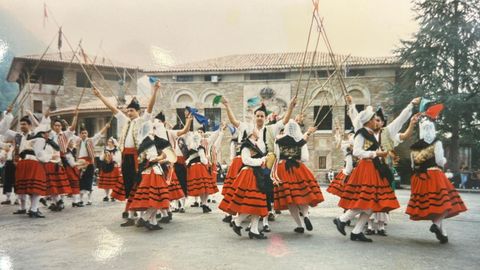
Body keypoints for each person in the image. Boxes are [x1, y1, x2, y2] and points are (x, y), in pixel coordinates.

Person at [221, 96, 297, 232]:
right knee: (250, 197)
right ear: (254, 117)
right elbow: (233, 121)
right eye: (258, 115)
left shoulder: (270, 129)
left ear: (265, 118)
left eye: (262, 116)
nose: (260, 118)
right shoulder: (247, 128)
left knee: (261, 197)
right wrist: (227, 106)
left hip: (264, 168)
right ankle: (240, 221)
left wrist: (290, 107)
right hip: (251, 167)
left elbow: (284, 121)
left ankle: (255, 226)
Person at [93, 81, 159, 225]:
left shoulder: (143, 121)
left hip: (138, 158)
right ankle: (131, 215)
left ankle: (142, 216)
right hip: (126, 158)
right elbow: (113, 109)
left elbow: (150, 107)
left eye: (132, 111)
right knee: (129, 185)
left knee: (139, 185)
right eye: (128, 111)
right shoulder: (125, 121)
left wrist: (154, 91)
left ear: (138, 112)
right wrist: (100, 96)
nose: (129, 113)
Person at [333, 106, 400, 242]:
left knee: (371, 204)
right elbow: (357, 152)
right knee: (366, 202)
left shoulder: (369, 133)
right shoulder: (361, 133)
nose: (376, 121)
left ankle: (356, 231)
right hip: (366, 168)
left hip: (373, 168)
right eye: (374, 119)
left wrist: (382, 154)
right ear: (368, 121)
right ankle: (342, 219)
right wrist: (375, 153)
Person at [406, 105, 467, 243]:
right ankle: (435, 225)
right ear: (433, 129)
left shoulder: (414, 147)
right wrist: (445, 160)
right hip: (433, 175)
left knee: (435, 205)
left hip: (418, 178)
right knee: (447, 203)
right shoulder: (436, 142)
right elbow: (440, 161)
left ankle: (442, 233)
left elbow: (412, 165)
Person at [272, 120, 323, 233]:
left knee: (290, 200)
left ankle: (299, 225)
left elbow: (277, 155)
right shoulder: (300, 140)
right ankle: (306, 216)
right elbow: (304, 153)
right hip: (297, 167)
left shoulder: (279, 140)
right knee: (302, 194)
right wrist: (308, 133)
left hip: (284, 168)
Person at [98, 136, 122, 202]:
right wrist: (105, 155)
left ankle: (113, 196)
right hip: (106, 166)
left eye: (110, 142)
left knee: (114, 183)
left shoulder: (116, 150)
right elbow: (100, 158)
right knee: (106, 183)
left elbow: (119, 159)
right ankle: (106, 195)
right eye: (108, 142)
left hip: (114, 167)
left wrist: (111, 157)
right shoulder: (105, 149)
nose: (109, 143)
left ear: (113, 143)